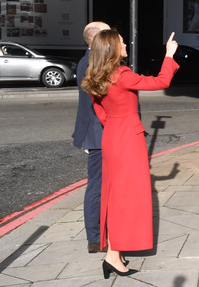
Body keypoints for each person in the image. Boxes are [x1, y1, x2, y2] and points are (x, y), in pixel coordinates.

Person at [81, 30, 179, 279]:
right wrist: (168, 55)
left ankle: (116, 251)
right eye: (122, 42)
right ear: (113, 49)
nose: (125, 44)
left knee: (116, 196)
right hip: (127, 140)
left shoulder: (99, 76)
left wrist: (116, 124)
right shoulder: (122, 75)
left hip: (113, 136)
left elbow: (99, 110)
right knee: (127, 198)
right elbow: (160, 82)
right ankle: (112, 256)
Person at [71, 21, 110, 254]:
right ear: (97, 39)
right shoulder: (91, 63)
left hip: (97, 133)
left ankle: (99, 234)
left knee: (102, 185)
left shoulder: (90, 60)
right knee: (96, 186)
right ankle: (95, 238)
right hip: (98, 134)